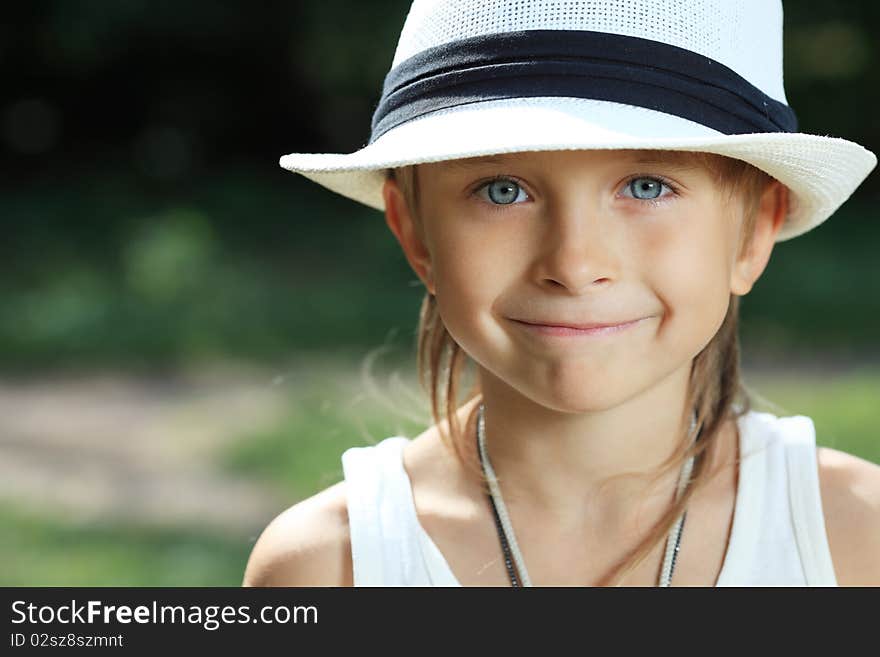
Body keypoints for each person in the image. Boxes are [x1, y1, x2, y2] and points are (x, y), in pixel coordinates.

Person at [242, 0, 880, 586]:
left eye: (648, 187)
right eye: (502, 190)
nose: (574, 265)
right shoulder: (330, 567)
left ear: (752, 235)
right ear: (416, 235)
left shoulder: (856, 540)